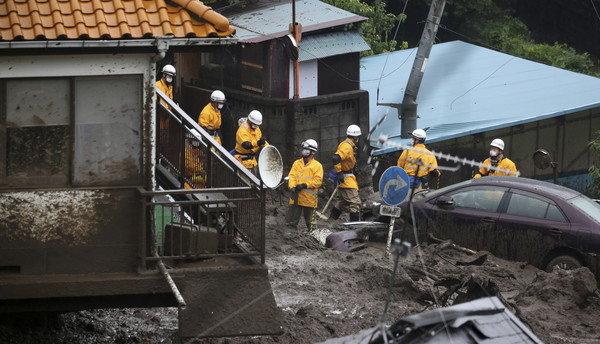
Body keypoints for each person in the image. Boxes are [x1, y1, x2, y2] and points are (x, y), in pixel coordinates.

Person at [285, 139, 323, 231]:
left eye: (307, 149)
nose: (304, 151)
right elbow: (292, 176)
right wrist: (292, 186)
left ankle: (314, 238)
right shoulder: (297, 163)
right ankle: (289, 237)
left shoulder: (317, 165)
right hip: (296, 197)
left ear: (313, 152)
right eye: (304, 149)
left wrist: (305, 185)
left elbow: (318, 181)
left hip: (309, 198)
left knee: (311, 224)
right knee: (290, 221)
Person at [329, 124, 362, 222]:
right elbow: (336, 158)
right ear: (355, 136)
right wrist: (339, 173)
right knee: (355, 203)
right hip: (346, 178)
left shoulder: (347, 145)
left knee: (342, 202)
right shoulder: (347, 147)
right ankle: (354, 227)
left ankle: (331, 221)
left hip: (347, 177)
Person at [234, 110, 269, 175]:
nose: (255, 126)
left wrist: (268, 148)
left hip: (252, 161)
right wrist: (257, 143)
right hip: (243, 161)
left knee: (254, 183)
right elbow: (246, 145)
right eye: (254, 124)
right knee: (245, 183)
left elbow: (260, 140)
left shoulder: (256, 128)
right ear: (249, 121)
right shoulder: (242, 130)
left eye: (257, 125)